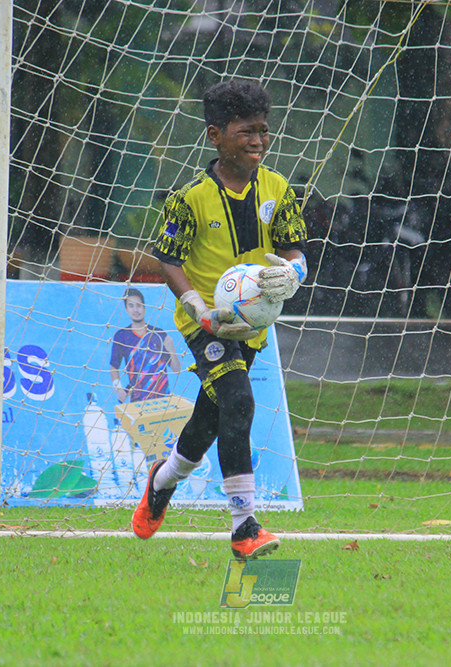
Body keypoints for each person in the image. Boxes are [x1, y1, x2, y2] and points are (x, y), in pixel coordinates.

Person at [131, 80, 308, 559]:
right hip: (206, 324)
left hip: (252, 324)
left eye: (264, 131)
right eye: (246, 131)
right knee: (239, 402)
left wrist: (293, 273)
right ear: (215, 135)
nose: (258, 141)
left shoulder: (277, 189)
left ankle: (162, 481)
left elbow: (294, 250)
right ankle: (244, 527)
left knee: (213, 416)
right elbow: (168, 257)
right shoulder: (189, 197)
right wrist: (195, 305)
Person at [109, 288, 181, 403]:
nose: (136, 310)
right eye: (131, 306)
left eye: (139, 305)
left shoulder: (159, 334)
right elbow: (113, 367)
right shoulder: (121, 336)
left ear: (144, 307)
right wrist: (119, 389)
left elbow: (177, 370)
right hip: (138, 401)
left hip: (163, 400)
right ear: (126, 309)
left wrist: (171, 348)